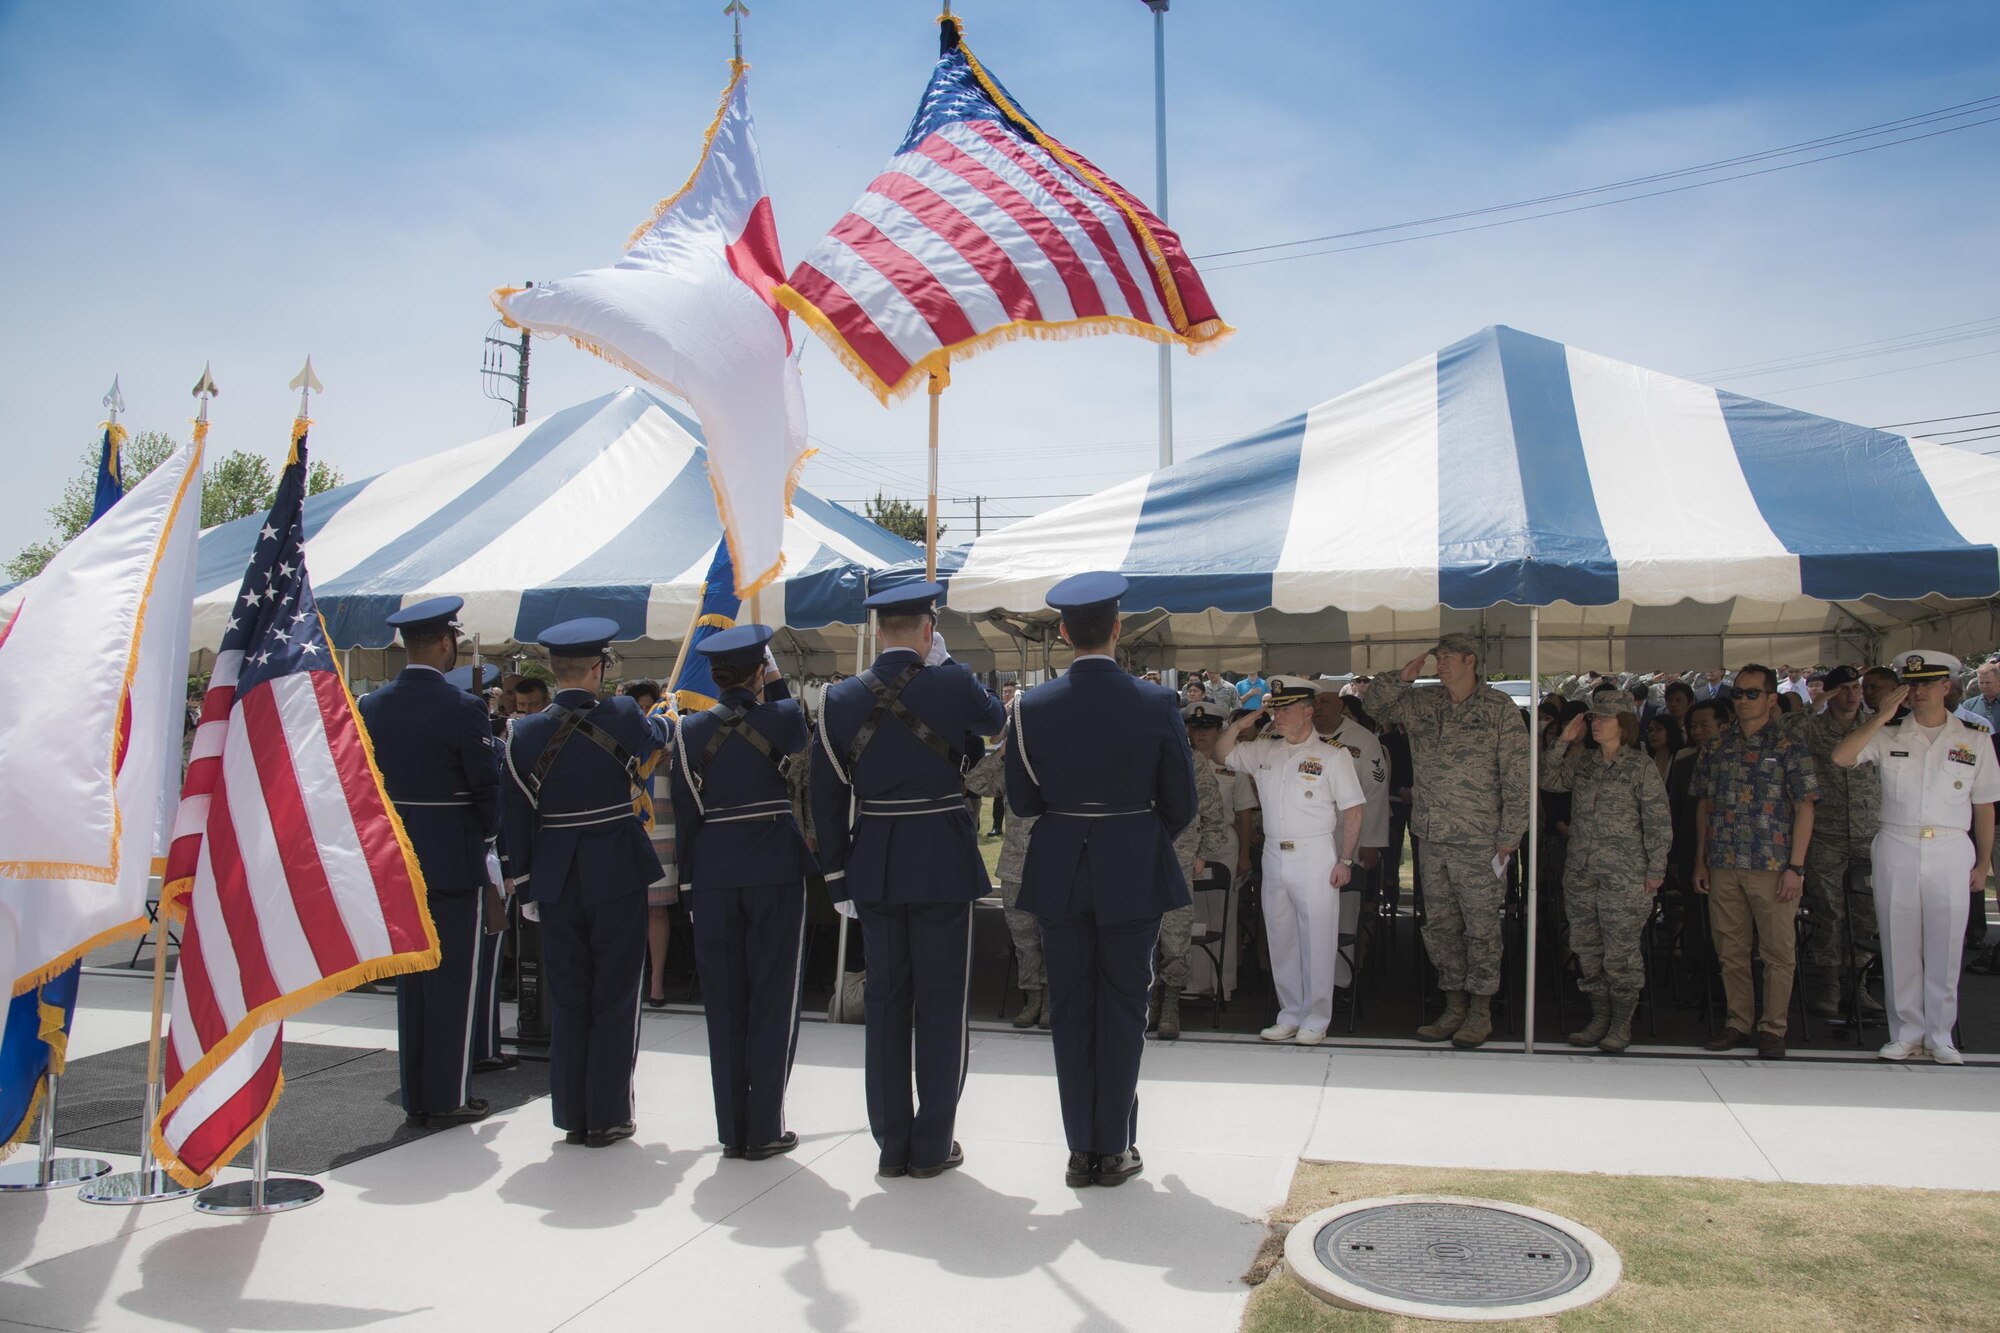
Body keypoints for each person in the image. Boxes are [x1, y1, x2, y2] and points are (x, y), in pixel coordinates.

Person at [1003, 572, 1194, 1189]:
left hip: (1060, 864)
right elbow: (1181, 802)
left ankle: (1080, 1150)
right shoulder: (1157, 702)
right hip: (1131, 862)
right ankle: (1112, 1148)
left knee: (1071, 1010)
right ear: (1117, 628)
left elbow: (1024, 800)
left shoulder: (1029, 707)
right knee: (1122, 1006)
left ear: (1062, 633)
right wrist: (1132, 832)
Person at [812, 584, 1005, 1180]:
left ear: (879, 632)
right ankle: (934, 1143)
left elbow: (825, 794)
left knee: (887, 1004)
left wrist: (838, 876)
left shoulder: (838, 698)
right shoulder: (951, 683)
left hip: (874, 860)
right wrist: (948, 667)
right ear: (928, 630)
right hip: (941, 859)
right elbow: (995, 721)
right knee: (942, 1006)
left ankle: (892, 1145)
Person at [501, 618, 669, 1147]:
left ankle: (573, 1113)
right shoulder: (622, 712)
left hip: (555, 874)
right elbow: (660, 735)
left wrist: (527, 887)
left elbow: (515, 817)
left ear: (553, 671)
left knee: (570, 998)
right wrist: (665, 714)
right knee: (615, 995)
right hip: (615, 867)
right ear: (599, 669)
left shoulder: (521, 732)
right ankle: (610, 1112)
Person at [670, 624, 813, 1160]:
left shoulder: (687, 732)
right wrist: (772, 679)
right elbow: (794, 726)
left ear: (712, 675)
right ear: (759, 671)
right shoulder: (783, 717)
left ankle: (732, 1129)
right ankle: (765, 1126)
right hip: (773, 868)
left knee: (725, 1005)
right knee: (774, 999)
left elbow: (688, 813)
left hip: (712, 873)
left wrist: (688, 885)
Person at [359, 598, 501, 1128]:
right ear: (445, 643)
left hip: (395, 859)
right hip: (451, 854)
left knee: (412, 981)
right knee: (453, 982)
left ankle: (418, 1090)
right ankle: (447, 1095)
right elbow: (487, 788)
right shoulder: (463, 708)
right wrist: (486, 838)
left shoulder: (373, 706)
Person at [1364, 633, 1530, 1047]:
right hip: (1432, 835)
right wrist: (1400, 678)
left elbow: (1517, 775)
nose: (1440, 664)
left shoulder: (1498, 709)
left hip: (1480, 839)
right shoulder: (1423, 701)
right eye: (1438, 657)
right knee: (1439, 927)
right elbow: (1373, 706)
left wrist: (1510, 836)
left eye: (1448, 657)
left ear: (1470, 661)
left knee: (1481, 928)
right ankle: (1453, 1004)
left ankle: (1480, 1009)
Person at [1832, 652, 1997, 1063]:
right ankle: (1905, 1032)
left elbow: (1985, 805)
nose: (1919, 691)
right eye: (1913, 684)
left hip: (1950, 846)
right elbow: (1841, 757)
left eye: (1928, 683)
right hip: (1897, 843)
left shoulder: (1974, 737)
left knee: (1945, 944)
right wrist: (1879, 716)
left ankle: (1940, 1035)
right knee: (1898, 940)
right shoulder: (1888, 734)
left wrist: (1983, 863)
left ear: (1947, 687)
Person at [1215, 677, 1366, 1044]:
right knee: (1281, 938)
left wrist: (1345, 859)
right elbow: (1221, 754)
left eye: (1286, 709)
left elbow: (1354, 809)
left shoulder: (1334, 755)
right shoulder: (1266, 749)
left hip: (1315, 853)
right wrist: (1241, 724)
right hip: (1274, 853)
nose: (1278, 716)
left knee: (1317, 937)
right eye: (1275, 709)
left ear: (1308, 711)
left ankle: (1317, 1017)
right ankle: (1289, 1013)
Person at [1692, 663, 1819, 1059]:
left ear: (1770, 699)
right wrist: (1700, 861)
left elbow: (1805, 808)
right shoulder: (1715, 747)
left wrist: (1796, 867)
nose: (1743, 701)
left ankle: (1773, 1029)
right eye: (1738, 693)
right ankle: (1738, 1022)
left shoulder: (1790, 748)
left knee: (1778, 953)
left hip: (1773, 866)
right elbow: (1704, 808)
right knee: (1731, 949)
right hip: (1724, 862)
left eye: (1752, 693)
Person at [1541, 693, 1670, 1052]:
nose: (1596, 723)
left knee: (1621, 952)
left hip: (1626, 876)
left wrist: (1656, 870)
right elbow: (1549, 780)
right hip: (1583, 872)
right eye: (1594, 717)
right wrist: (1562, 743)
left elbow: (1658, 823)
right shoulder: (1584, 763)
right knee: (1587, 948)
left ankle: (1621, 1022)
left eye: (1605, 718)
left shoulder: (1640, 767)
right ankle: (1599, 1017)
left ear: (1624, 724)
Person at [1790, 666, 1882, 1020]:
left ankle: (1857, 984)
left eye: (1854, 688)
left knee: (1866, 914)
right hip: (1825, 834)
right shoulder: (1813, 726)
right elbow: (1784, 733)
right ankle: (1829, 984)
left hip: (1867, 833)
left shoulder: (1876, 724)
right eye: (1841, 689)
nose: (1850, 694)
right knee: (1828, 911)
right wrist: (1815, 705)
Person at [444, 662, 517, 1075]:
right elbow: (498, 812)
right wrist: (508, 865)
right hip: (484, 862)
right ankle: (484, 1046)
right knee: (483, 965)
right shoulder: (495, 748)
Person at [964, 706, 1047, 1029]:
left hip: (1052, 865)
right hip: (1015, 866)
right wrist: (1002, 753)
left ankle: (1053, 997)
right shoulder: (1010, 767)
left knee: (1053, 935)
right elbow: (974, 782)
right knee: (1024, 938)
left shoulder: (1058, 761)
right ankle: (1033, 997)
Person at [1152, 709, 1229, 1040]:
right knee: (1139, 934)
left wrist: (1202, 853)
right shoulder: (1131, 756)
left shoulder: (1192, 761)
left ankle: (1171, 1001)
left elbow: (1214, 813)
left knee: (1175, 933)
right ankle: (1149, 998)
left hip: (1179, 861)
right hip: (1136, 860)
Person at [1313, 684, 1390, 989]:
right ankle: (1310, 981)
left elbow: (1376, 791)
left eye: (1326, 702)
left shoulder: (1363, 740)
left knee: (1344, 915)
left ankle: (1339, 982)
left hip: (1348, 839)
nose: (1319, 708)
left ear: (1340, 705)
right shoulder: (1298, 736)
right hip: (1309, 839)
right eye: (1315, 702)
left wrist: (1371, 842)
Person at [1182, 700, 1254, 1001]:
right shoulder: (1179, 761)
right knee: (1191, 916)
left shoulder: (1232, 763)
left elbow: (1244, 812)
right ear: (1187, 729)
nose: (1202, 734)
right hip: (1188, 843)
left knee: (1223, 914)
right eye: (1196, 728)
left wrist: (1246, 855)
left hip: (1224, 843)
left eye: (1209, 728)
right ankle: (1193, 983)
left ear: (1219, 729)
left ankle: (1222, 985)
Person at [988, 683, 1018, 837]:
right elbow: (992, 739)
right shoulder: (1000, 712)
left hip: (1016, 760)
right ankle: (996, 826)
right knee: (998, 795)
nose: (1006, 694)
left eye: (1010, 692)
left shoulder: (1020, 711)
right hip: (1001, 758)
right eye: (1004, 692)